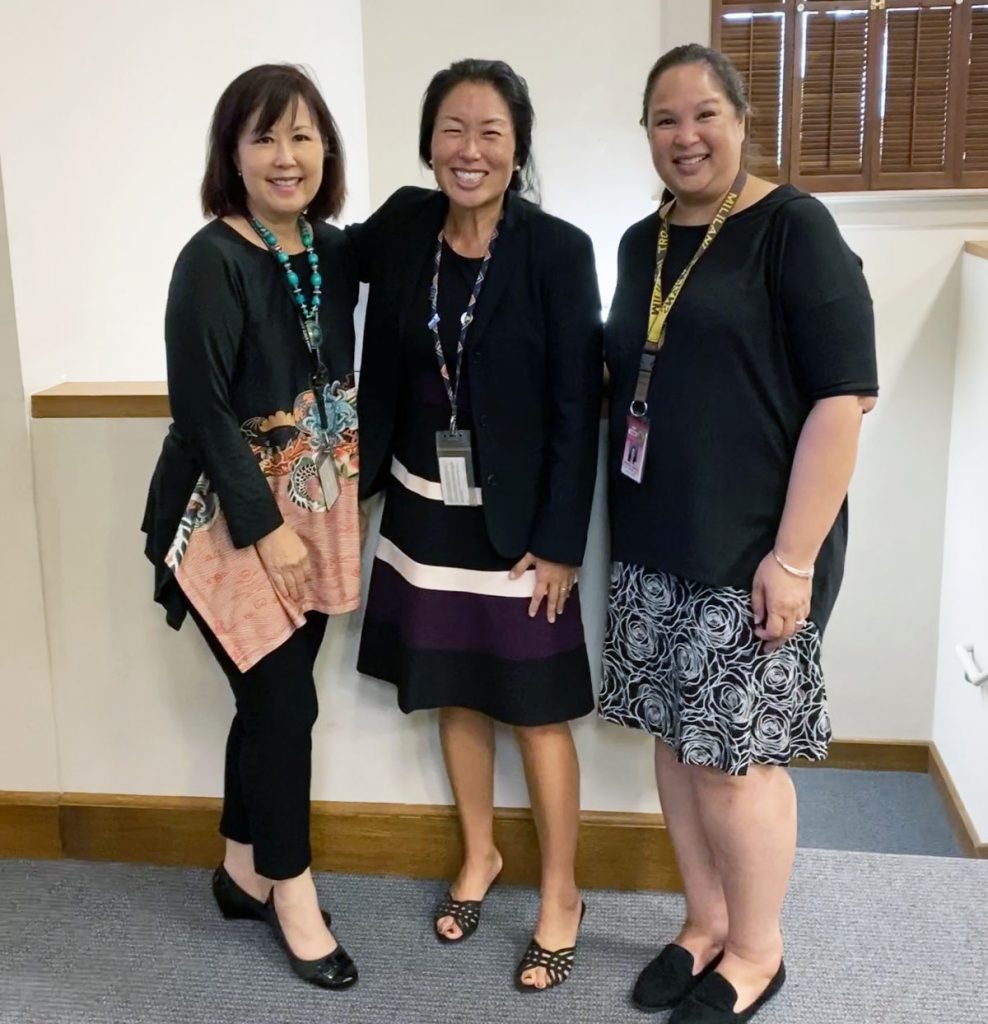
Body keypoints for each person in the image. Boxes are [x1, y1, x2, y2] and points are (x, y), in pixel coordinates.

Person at [599, 44, 878, 1023]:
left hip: (756, 547)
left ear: (742, 120)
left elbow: (842, 400)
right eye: (665, 119)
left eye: (704, 113)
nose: (686, 136)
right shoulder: (644, 244)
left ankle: (757, 950)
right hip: (653, 538)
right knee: (677, 746)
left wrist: (793, 557)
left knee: (733, 758)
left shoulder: (791, 228)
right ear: (646, 135)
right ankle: (703, 922)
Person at [348, 59, 602, 991]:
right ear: (428, 143)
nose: (470, 149)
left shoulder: (557, 250)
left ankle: (563, 892)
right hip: (423, 508)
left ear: (519, 146)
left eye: (491, 131)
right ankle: (480, 855)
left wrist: (565, 541)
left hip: (521, 526)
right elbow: (320, 260)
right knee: (457, 695)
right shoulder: (405, 227)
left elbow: (578, 405)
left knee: (534, 714)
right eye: (453, 129)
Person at [141, 64, 361, 991]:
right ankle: (290, 888)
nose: (286, 155)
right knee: (285, 704)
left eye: (303, 135)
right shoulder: (212, 259)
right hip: (227, 519)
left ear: (326, 150)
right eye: (264, 137)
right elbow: (201, 409)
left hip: (315, 512)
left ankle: (239, 869)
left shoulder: (329, 247)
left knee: (268, 703)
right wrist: (267, 527)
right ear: (232, 153)